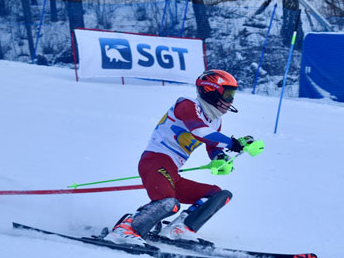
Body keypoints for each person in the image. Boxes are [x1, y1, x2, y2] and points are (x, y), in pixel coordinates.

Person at [104, 69, 261, 247]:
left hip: (172, 171)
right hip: (156, 161)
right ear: (210, 91)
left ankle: (179, 228)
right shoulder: (187, 105)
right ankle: (126, 229)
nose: (230, 100)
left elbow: (212, 145)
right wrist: (232, 143)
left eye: (232, 94)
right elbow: (199, 131)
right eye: (227, 94)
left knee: (217, 194)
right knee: (168, 202)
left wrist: (221, 158)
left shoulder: (215, 121)